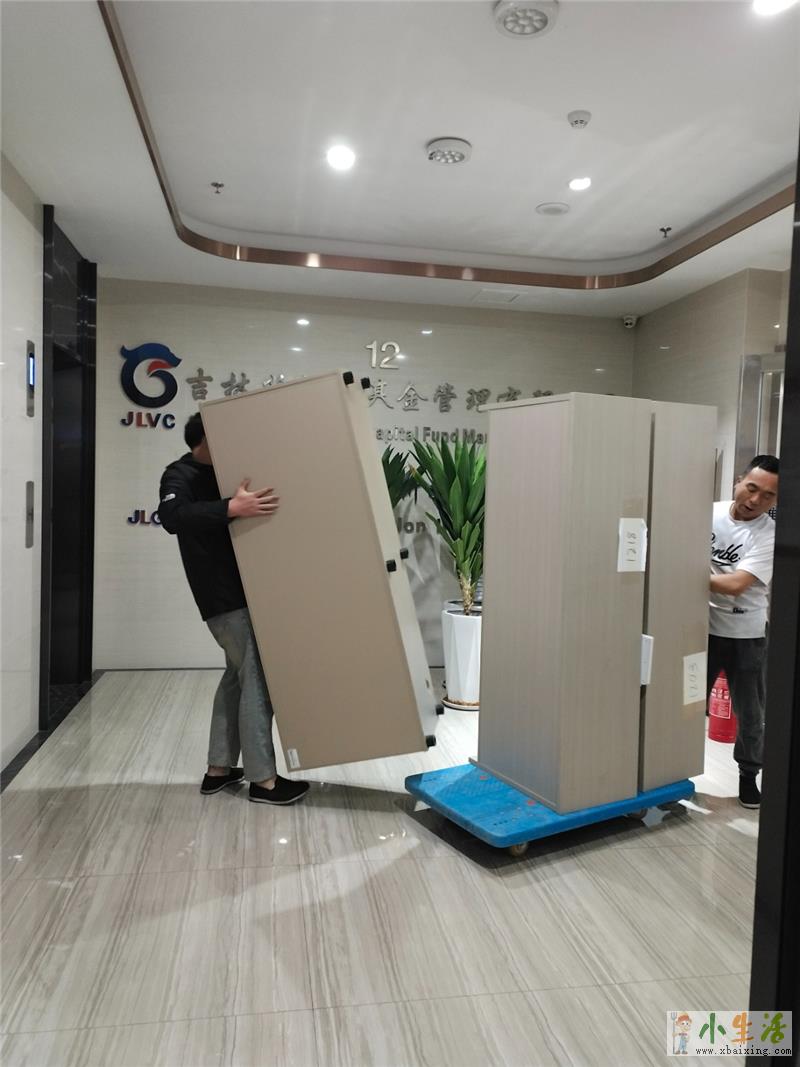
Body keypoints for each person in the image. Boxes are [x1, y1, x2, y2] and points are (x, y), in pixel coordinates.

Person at [158, 412, 309, 805]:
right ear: (205, 439)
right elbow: (171, 517)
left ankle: (219, 770)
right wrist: (231, 508)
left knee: (236, 679)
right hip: (223, 599)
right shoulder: (179, 474)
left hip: (245, 594)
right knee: (257, 679)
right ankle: (264, 782)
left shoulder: (224, 475)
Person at [707, 454, 778, 810]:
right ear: (738, 480)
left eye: (767, 496)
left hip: (747, 636)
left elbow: (736, 585)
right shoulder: (708, 513)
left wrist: (678, 570)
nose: (755, 500)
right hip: (699, 630)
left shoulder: (770, 534)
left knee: (751, 714)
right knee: (684, 705)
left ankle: (748, 777)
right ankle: (672, 773)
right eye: (751, 488)